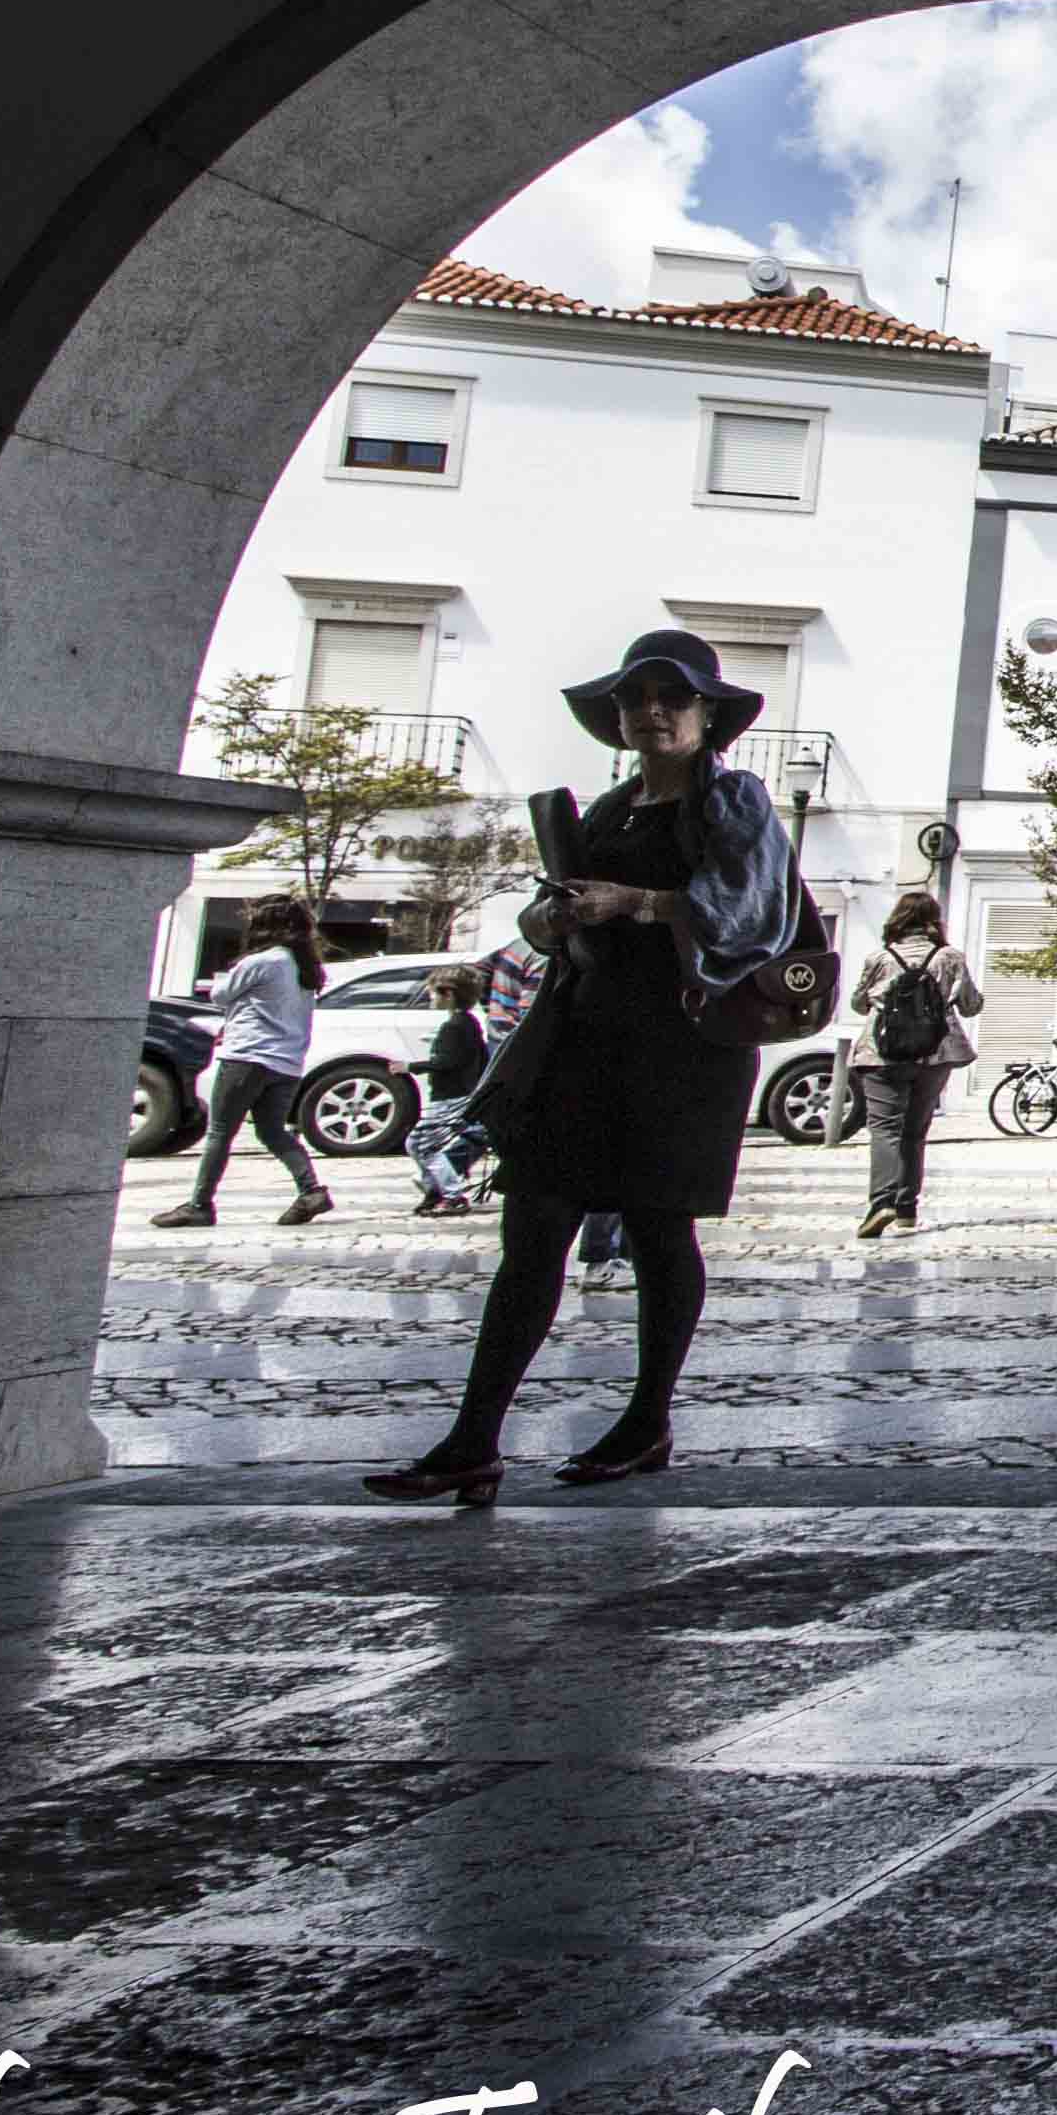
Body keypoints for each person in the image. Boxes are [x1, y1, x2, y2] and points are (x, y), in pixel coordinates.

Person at [363, 627, 800, 1505]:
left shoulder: (734, 801)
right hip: (585, 1036)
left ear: (708, 715)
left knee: (656, 1229)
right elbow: (551, 911)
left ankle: (648, 1419)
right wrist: (545, 920)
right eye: (636, 701)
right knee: (531, 1233)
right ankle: (474, 1437)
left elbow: (755, 911)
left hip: (684, 1046)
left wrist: (635, 901)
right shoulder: (603, 811)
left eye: (672, 699)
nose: (651, 713)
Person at [152, 895, 336, 1227]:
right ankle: (311, 1190)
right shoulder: (306, 967)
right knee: (272, 1130)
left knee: (220, 1132)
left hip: (247, 1057)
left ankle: (200, 1204)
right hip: (287, 1062)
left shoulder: (262, 961)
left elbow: (218, 995)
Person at [850, 889, 980, 1240]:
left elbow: (858, 1004)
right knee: (915, 1130)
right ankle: (907, 1209)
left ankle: (881, 1203)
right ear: (933, 921)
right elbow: (970, 1005)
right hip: (935, 1053)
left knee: (884, 1128)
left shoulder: (880, 957)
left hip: (882, 1053)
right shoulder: (950, 956)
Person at [404, 962, 493, 1215]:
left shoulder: (454, 1026)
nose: (430, 998)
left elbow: (448, 1062)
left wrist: (410, 1066)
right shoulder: (469, 1022)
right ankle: (436, 1189)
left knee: (424, 1145)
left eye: (433, 993)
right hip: (458, 1096)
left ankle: (452, 1194)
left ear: (449, 994)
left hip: (450, 1098)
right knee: (417, 1143)